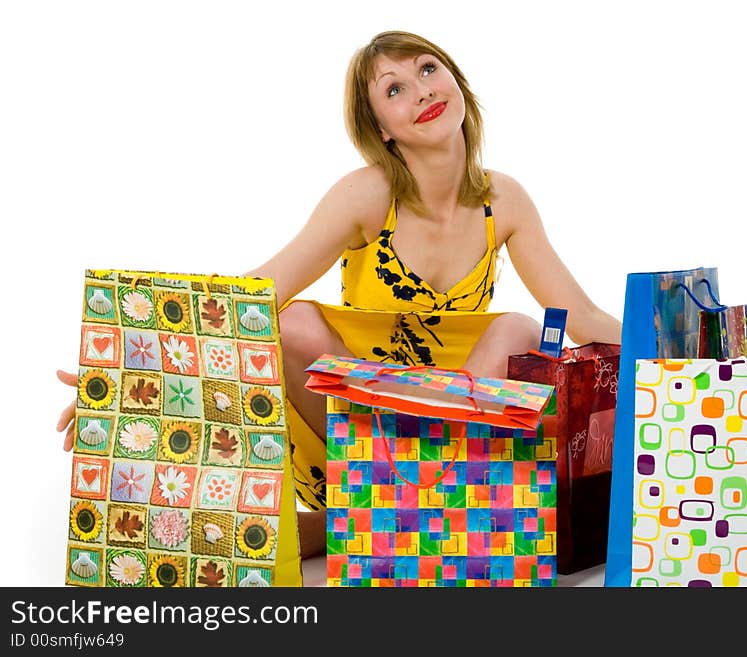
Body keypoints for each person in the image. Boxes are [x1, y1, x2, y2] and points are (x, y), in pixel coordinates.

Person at [56, 30, 622, 561]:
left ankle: (377, 523)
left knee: (520, 329)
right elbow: (253, 292)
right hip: (360, 425)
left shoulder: (506, 200)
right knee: (292, 322)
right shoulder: (366, 195)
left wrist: (685, 364)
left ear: (457, 83)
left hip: (454, 431)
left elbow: (584, 317)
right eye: (394, 89)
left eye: (428, 69)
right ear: (381, 128)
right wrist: (130, 372)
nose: (421, 89)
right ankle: (394, 518)